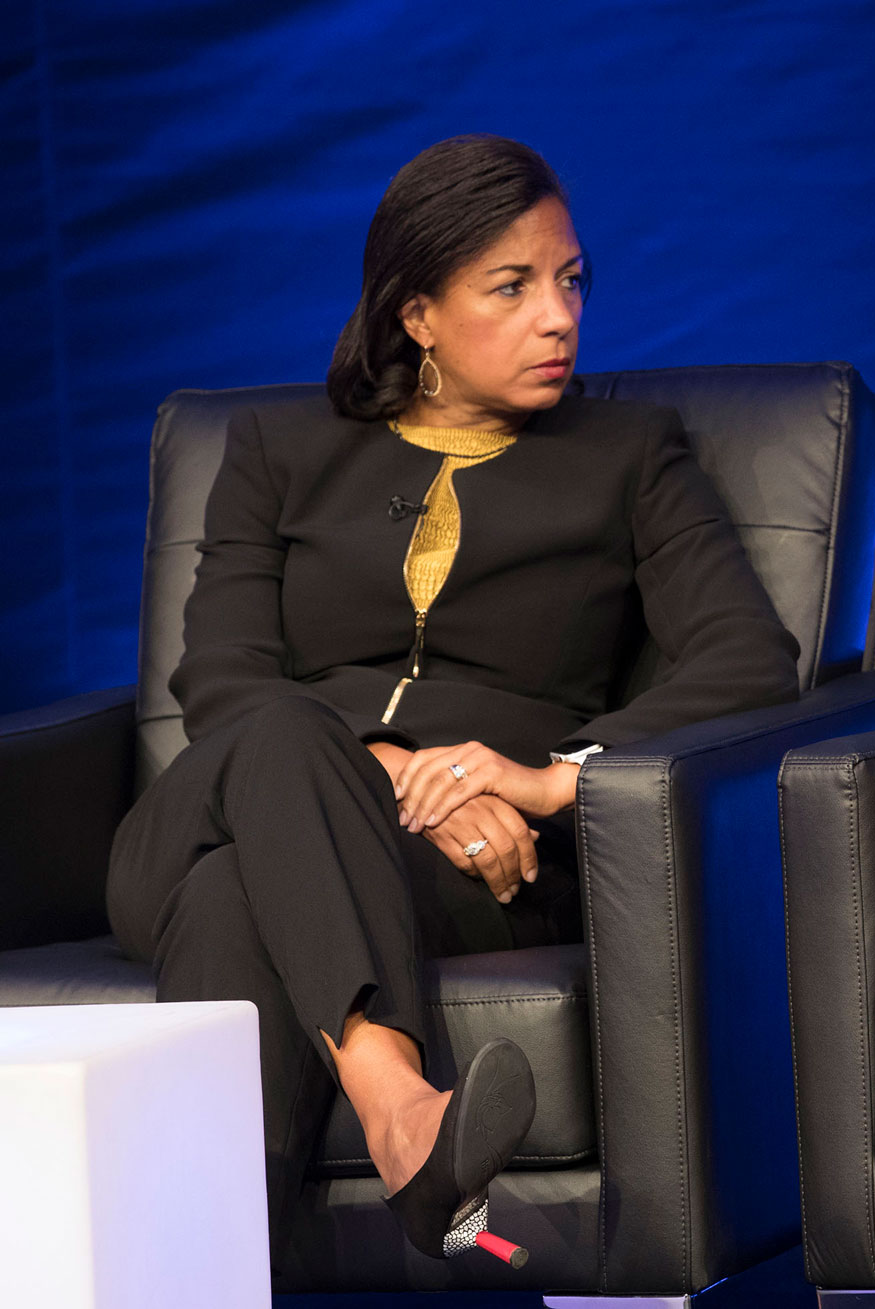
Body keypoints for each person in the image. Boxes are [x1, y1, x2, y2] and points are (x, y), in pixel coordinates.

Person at [105, 135, 800, 1268]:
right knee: (281, 730)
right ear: (417, 314)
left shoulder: (626, 457)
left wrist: (545, 777)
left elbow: (746, 662)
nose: (558, 316)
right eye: (512, 287)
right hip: (225, 806)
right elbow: (220, 677)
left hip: (470, 867)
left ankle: (211, 1273)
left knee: (238, 897)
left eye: (570, 280)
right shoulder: (278, 451)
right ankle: (399, 1105)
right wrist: (388, 776)